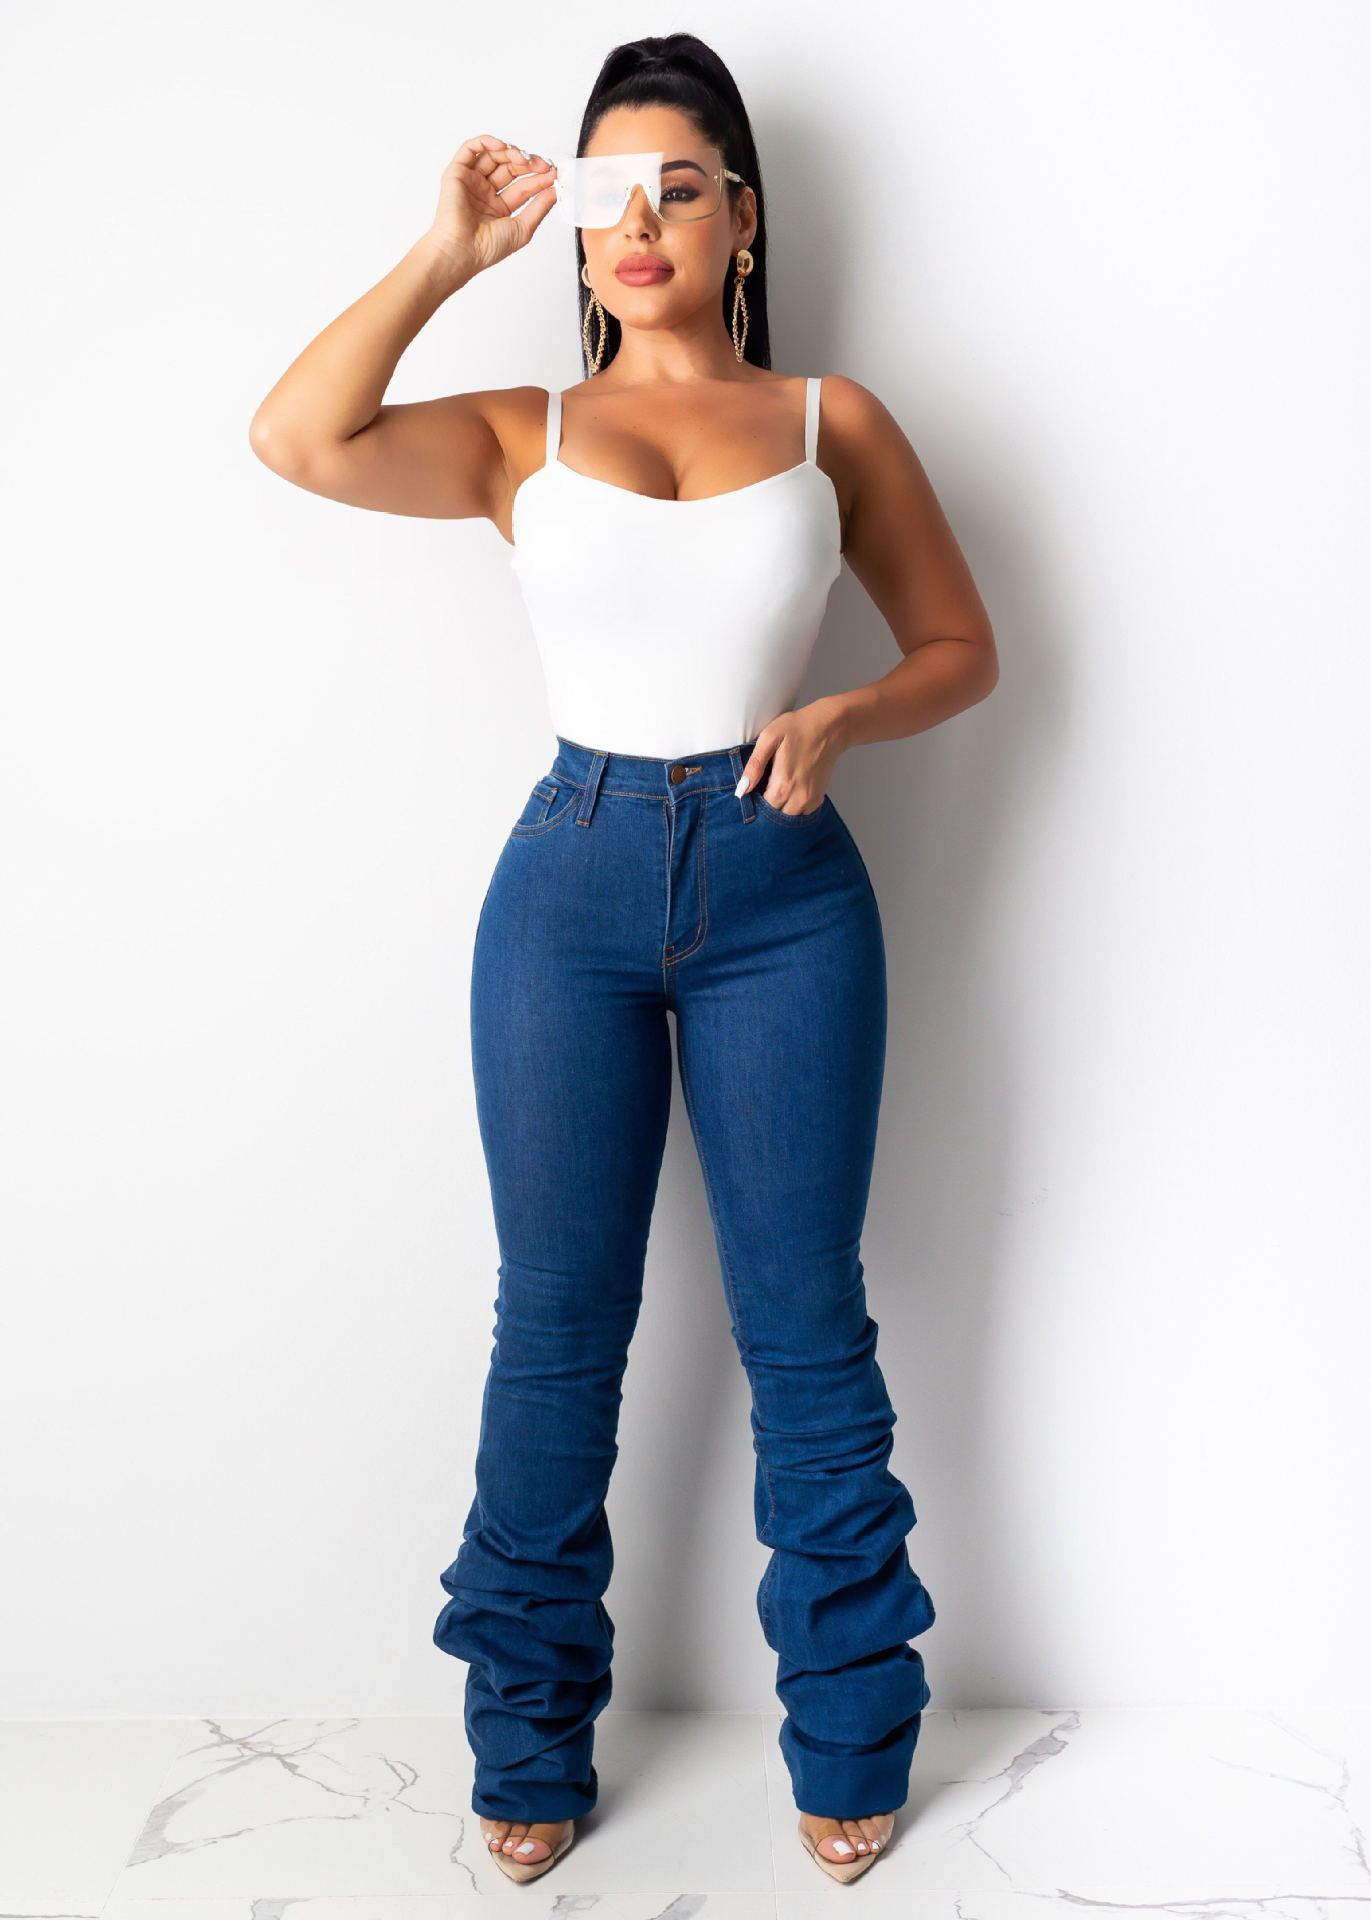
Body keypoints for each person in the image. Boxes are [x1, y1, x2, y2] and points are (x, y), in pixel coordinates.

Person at [249, 30, 997, 1890]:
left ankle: (850, 1735)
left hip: (785, 893)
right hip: (566, 892)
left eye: (680, 186)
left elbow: (960, 647)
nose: (641, 220)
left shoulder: (832, 421)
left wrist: (847, 715)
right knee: (558, 1330)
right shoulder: (527, 432)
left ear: (744, 218)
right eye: (607, 192)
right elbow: (297, 437)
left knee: (805, 1327)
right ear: (574, 230)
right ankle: (526, 1744)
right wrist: (447, 252)